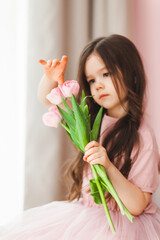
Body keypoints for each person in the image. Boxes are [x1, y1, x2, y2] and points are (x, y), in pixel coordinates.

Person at [1, 34, 160, 239]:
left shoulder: (142, 136)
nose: (98, 85)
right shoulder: (87, 118)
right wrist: (51, 77)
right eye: (91, 80)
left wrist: (108, 166)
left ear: (132, 75)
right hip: (85, 215)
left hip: (125, 225)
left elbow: (137, 205)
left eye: (106, 74)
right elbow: (47, 100)